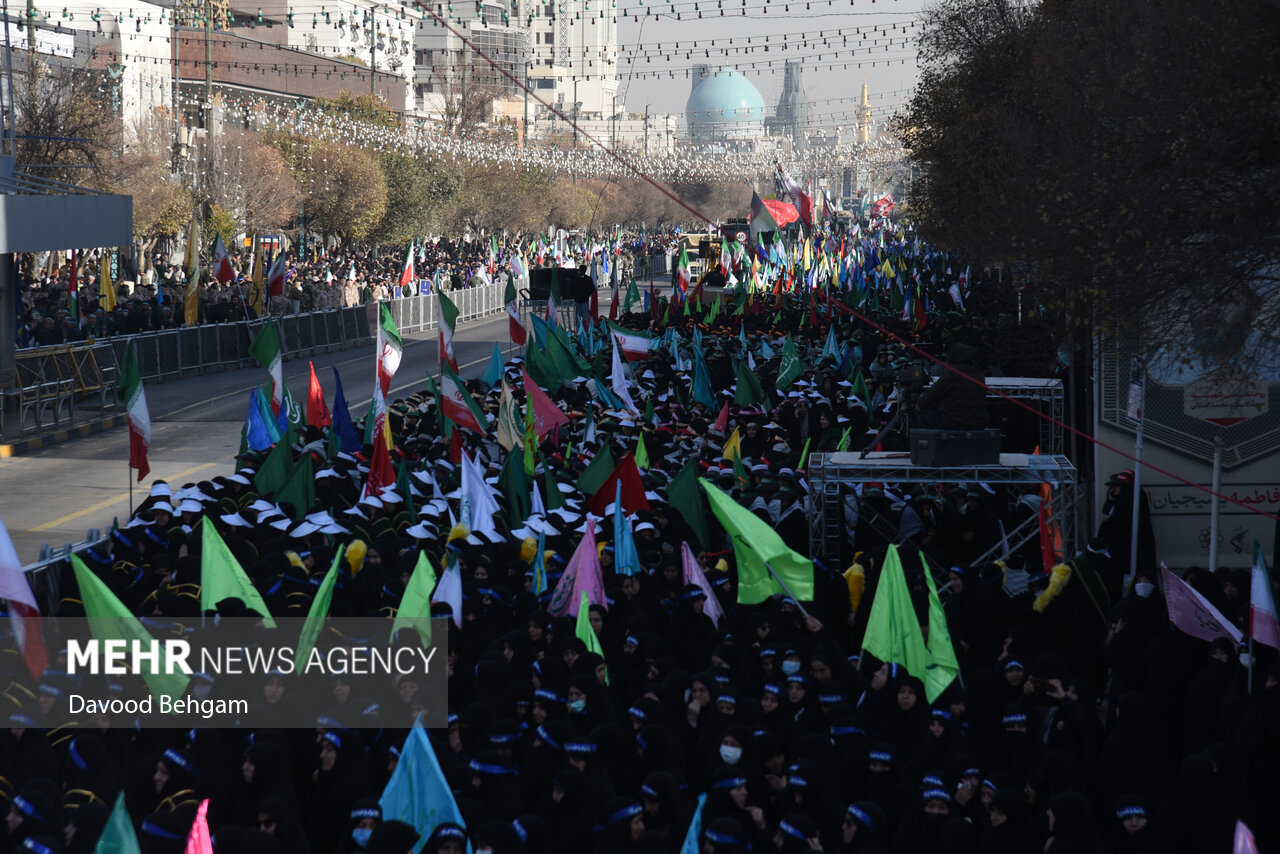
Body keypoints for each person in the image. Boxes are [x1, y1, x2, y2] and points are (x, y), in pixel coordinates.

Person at [914, 343, 988, 430]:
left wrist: (918, 405)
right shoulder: (979, 374)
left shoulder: (951, 373)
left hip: (954, 422)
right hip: (978, 423)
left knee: (918, 414)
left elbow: (930, 395)